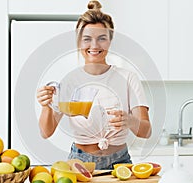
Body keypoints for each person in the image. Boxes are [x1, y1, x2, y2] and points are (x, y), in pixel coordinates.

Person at [36, 0, 151, 169]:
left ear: (110, 41)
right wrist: (46, 106)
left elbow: (146, 131)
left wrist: (130, 121)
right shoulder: (69, 82)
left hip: (121, 162)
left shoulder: (128, 78)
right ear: (79, 42)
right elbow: (46, 132)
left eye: (102, 38)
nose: (94, 46)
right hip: (79, 161)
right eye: (87, 39)